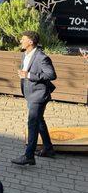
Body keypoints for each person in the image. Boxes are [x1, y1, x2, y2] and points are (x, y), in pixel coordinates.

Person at [11, 31, 57, 165]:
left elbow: (51, 75)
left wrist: (30, 75)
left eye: (23, 39)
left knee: (32, 123)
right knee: (39, 121)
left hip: (39, 95)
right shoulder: (25, 54)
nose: (20, 41)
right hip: (30, 93)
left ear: (30, 42)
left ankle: (29, 156)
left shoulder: (41, 57)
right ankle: (48, 148)